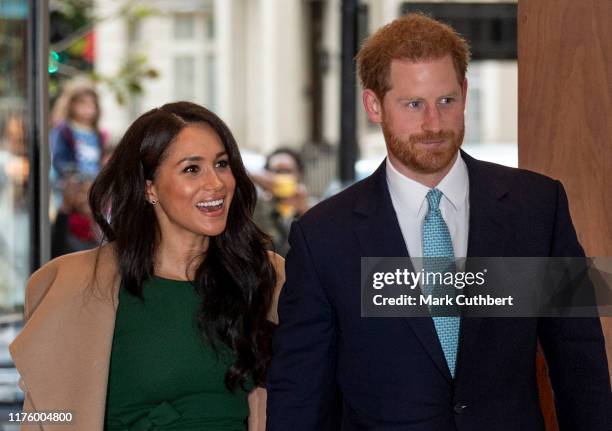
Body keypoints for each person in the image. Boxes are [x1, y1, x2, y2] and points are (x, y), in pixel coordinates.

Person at [266, 13, 611, 430]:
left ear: (465, 93)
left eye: (446, 101)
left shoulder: (537, 206)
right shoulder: (324, 237)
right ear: (374, 105)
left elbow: (580, 362)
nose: (433, 123)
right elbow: (301, 392)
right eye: (414, 104)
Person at [10, 101, 284, 430]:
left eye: (222, 164)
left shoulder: (266, 277)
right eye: (192, 169)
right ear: (149, 188)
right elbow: (46, 414)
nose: (217, 183)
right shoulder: (76, 285)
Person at [252, 148, 310, 256]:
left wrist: (304, 211)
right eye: (277, 172)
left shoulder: (312, 207)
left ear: (299, 174)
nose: (282, 177)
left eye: (287, 171)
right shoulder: (257, 208)